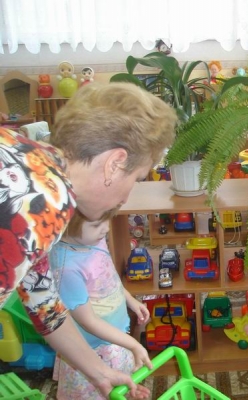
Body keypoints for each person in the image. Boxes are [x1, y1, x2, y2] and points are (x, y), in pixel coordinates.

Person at [0, 82, 177, 398]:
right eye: (136, 179)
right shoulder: (43, 202)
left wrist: (99, 372)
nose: (126, 197)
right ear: (114, 163)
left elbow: (44, 303)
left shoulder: (38, 168)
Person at [50, 209, 151, 399]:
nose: (106, 228)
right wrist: (133, 345)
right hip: (93, 352)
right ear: (66, 224)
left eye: (107, 220)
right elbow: (88, 321)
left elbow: (108, 276)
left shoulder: (93, 239)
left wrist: (129, 299)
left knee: (119, 388)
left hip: (115, 339)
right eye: (97, 224)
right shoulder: (67, 268)